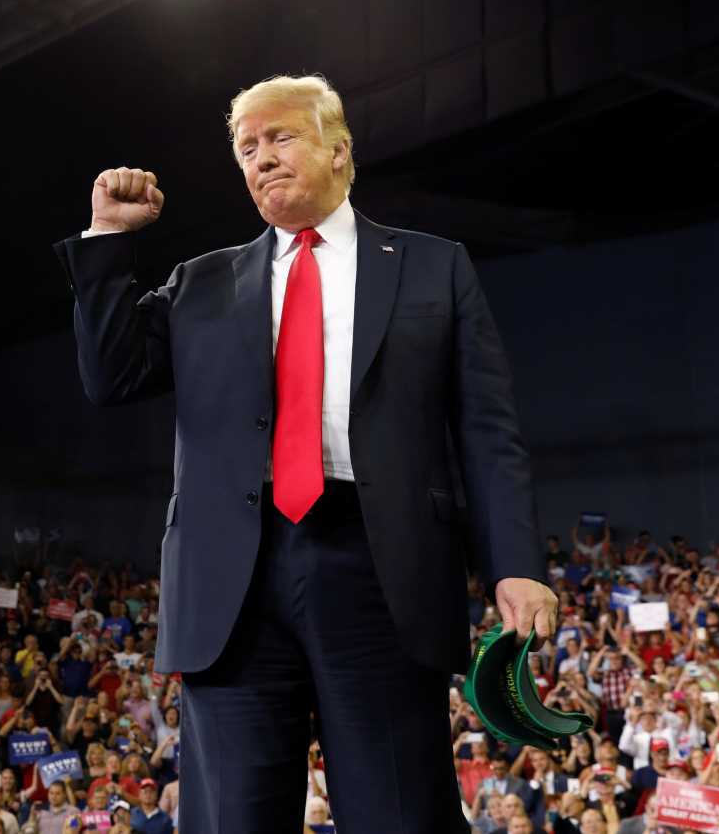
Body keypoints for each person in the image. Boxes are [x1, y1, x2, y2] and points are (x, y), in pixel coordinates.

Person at [53, 73, 555, 833]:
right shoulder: (201, 281)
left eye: (280, 137)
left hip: (382, 567)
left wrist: (515, 563)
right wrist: (109, 239)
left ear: (339, 150)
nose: (261, 158)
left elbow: (488, 430)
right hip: (232, 582)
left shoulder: (433, 266)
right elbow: (111, 375)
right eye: (246, 148)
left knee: (400, 812)